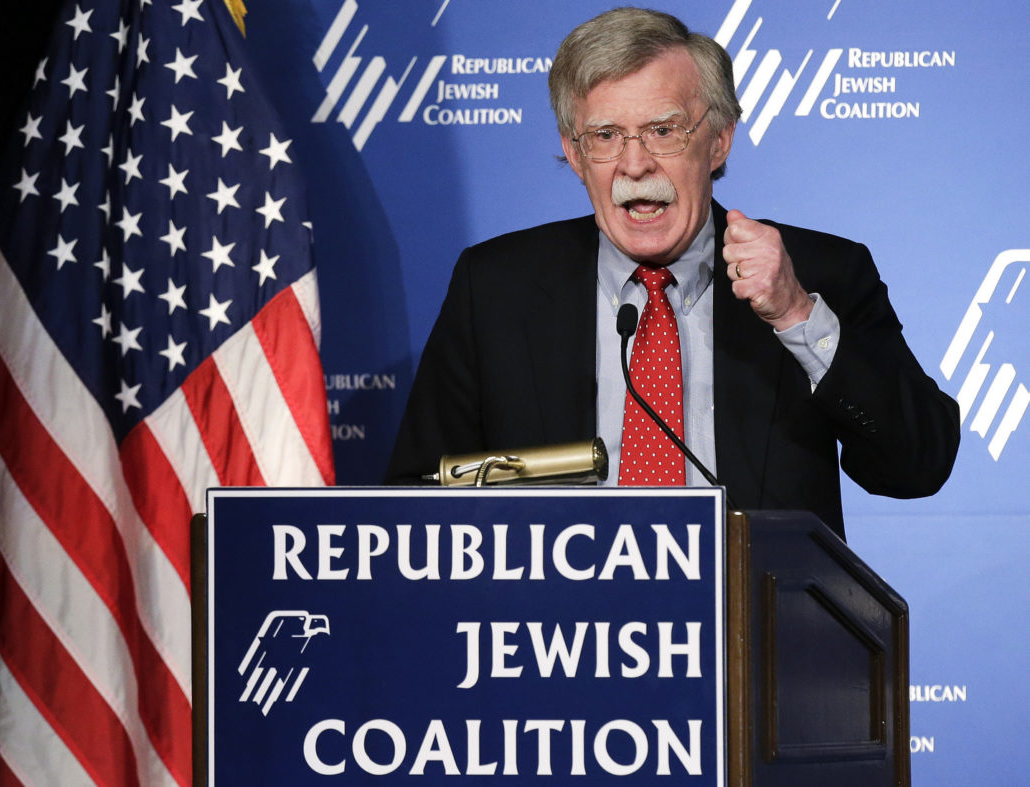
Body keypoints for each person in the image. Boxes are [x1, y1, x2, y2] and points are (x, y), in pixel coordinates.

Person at [384, 7, 959, 538]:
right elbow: (418, 497)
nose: (635, 164)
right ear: (575, 153)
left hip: (751, 633)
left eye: (663, 130)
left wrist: (795, 316)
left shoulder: (819, 273)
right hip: (556, 638)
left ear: (719, 139)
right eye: (606, 136)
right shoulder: (495, 288)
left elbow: (918, 465)